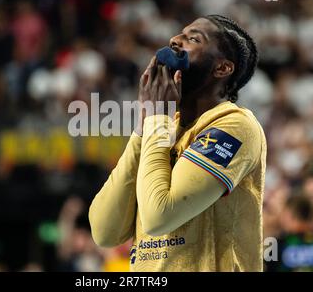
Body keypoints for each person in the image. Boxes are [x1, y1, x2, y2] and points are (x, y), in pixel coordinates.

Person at [89, 15, 266, 271]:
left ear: (222, 69)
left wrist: (157, 118)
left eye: (193, 38)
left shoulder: (235, 124)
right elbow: (104, 232)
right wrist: (144, 127)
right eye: (179, 34)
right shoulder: (162, 128)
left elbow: (159, 216)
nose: (175, 40)